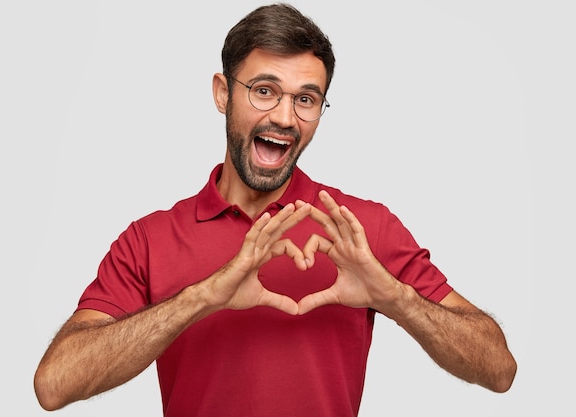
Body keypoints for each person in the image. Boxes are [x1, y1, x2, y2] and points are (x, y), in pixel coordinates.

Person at [34, 3, 517, 416]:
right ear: (223, 93)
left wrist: (395, 298)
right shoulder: (149, 240)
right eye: (264, 90)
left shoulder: (359, 230)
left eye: (306, 99)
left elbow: (498, 369)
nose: (285, 117)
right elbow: (54, 385)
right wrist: (201, 297)